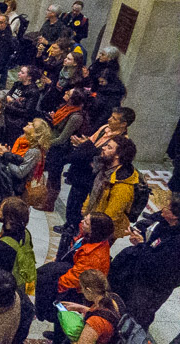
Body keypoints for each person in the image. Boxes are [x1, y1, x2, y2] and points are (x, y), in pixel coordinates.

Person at [41, 212, 114, 344]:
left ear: (94, 230)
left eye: (86, 222)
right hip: (74, 284)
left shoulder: (94, 255)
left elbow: (76, 277)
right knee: (61, 313)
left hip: (76, 289)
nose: (82, 222)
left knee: (66, 312)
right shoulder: (90, 239)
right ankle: (57, 334)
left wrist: (59, 284)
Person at [58, 107, 135, 236]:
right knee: (73, 198)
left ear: (123, 124)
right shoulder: (105, 129)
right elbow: (90, 142)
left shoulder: (122, 142)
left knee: (81, 200)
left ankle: (75, 226)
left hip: (94, 175)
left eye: (114, 118)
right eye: (111, 116)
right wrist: (84, 147)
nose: (109, 119)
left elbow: (102, 158)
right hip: (82, 168)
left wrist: (88, 150)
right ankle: (69, 223)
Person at [108, 193, 180, 330]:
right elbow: (153, 221)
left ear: (175, 216)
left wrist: (142, 244)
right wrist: (139, 230)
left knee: (135, 317)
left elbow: (157, 264)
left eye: (167, 208)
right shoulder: (167, 223)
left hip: (152, 287)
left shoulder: (176, 243)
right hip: (138, 273)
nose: (163, 209)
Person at [81, 135, 138, 240]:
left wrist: (92, 229)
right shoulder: (106, 169)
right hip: (91, 222)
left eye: (109, 147)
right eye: (106, 145)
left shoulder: (122, 187)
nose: (103, 148)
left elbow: (111, 217)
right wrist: (85, 211)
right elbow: (93, 193)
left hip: (101, 233)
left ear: (118, 155)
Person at [43, 88, 88, 211]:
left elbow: (63, 138)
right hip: (54, 145)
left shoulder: (76, 117)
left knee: (54, 175)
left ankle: (49, 203)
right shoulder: (65, 108)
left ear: (74, 99)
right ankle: (45, 199)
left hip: (61, 149)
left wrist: (45, 143)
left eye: (68, 93)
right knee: (52, 173)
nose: (65, 94)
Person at [0, 118, 52, 199]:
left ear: (36, 133)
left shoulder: (34, 151)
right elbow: (16, 159)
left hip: (17, 188)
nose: (29, 122)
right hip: (8, 179)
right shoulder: (22, 139)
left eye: (33, 125)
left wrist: (6, 156)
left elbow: (20, 172)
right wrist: (9, 154)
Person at [4, 65, 41, 146]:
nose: (18, 73)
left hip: (18, 120)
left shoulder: (33, 91)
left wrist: (11, 104)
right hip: (9, 113)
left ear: (29, 77)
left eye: (22, 72)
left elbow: (27, 112)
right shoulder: (17, 84)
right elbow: (8, 95)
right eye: (20, 71)